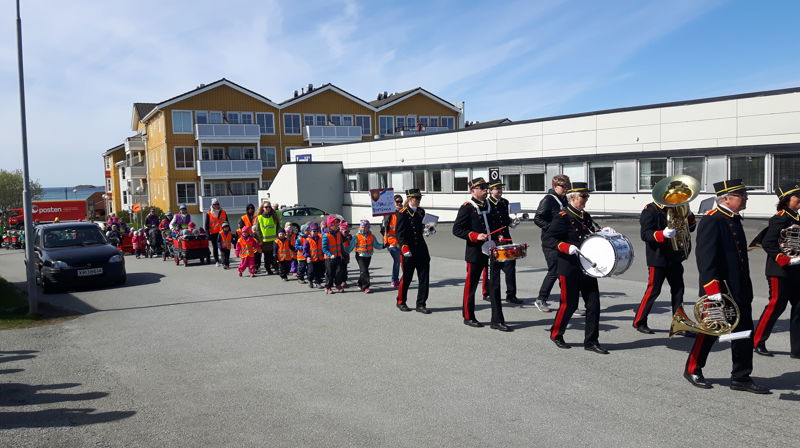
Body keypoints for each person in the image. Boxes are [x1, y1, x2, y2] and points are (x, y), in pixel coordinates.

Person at [683, 179, 769, 393]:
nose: (746, 198)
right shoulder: (713, 220)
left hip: (739, 288)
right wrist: (713, 291)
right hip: (718, 289)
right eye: (742, 195)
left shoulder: (733, 218)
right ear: (726, 199)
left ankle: (741, 377)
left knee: (743, 332)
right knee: (710, 331)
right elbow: (706, 258)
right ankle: (693, 368)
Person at [543, 182, 608, 353]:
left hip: (587, 267)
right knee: (569, 304)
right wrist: (566, 247)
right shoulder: (562, 216)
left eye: (587, 196)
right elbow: (548, 240)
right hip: (569, 267)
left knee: (594, 305)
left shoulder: (584, 216)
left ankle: (591, 341)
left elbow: (589, 235)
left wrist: (603, 233)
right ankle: (556, 333)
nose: (586, 199)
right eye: (583, 196)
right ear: (573, 197)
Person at [633, 193, 697, 335]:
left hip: (674, 256)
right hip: (658, 258)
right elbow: (645, 234)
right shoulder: (650, 210)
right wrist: (662, 234)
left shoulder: (676, 209)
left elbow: (691, 228)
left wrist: (690, 214)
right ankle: (639, 321)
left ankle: (679, 323)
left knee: (678, 290)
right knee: (653, 290)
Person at [452, 178, 510, 331]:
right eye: (482, 188)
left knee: (495, 285)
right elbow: (457, 229)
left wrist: (499, 236)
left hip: (491, 251)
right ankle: (468, 316)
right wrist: (474, 235)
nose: (486, 190)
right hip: (475, 253)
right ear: (473, 191)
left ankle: (497, 320)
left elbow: (496, 224)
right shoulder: (467, 207)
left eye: (486, 187)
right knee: (471, 286)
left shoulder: (490, 204)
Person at [753, 184, 800, 359]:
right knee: (776, 306)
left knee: (798, 308)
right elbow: (768, 243)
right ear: (787, 200)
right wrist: (784, 259)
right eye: (797, 197)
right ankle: (758, 341)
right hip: (779, 270)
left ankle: (797, 349)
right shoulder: (780, 218)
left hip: (796, 269)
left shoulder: (796, 217)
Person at [533, 174, 571, 313]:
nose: (566, 189)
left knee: (565, 272)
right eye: (563, 186)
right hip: (550, 242)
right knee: (554, 271)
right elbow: (537, 218)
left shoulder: (564, 199)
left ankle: (568, 303)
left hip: (563, 240)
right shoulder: (548, 199)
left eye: (567, 186)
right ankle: (541, 299)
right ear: (555, 186)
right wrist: (551, 228)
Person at [486, 180, 522, 304]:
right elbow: (487, 222)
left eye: (500, 188)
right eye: (496, 188)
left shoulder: (505, 202)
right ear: (490, 190)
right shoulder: (486, 203)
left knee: (511, 266)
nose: (499, 190)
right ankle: (488, 293)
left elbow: (505, 219)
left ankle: (511, 295)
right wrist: (495, 236)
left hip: (506, 238)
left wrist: (512, 222)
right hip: (493, 239)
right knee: (492, 268)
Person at [396, 189, 431, 314]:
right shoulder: (402, 213)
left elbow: (423, 228)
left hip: (421, 249)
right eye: (416, 198)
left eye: (419, 198)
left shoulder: (421, 212)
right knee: (407, 277)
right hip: (408, 250)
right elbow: (399, 234)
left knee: (424, 278)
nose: (418, 200)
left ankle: (421, 304)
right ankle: (401, 301)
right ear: (410, 199)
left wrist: (429, 230)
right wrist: (404, 247)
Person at [354, 220, 384, 293]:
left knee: (364, 271)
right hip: (360, 255)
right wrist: (344, 252)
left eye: (366, 227)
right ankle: (366, 287)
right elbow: (351, 246)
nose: (364, 228)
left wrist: (384, 245)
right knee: (365, 271)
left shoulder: (371, 236)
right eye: (362, 227)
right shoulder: (356, 236)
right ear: (360, 227)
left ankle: (360, 283)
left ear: (369, 228)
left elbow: (376, 245)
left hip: (368, 256)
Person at [381, 194, 404, 288]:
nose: (399, 203)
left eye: (401, 201)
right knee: (397, 260)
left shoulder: (404, 213)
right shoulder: (389, 214)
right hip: (392, 242)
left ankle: (402, 279)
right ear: (393, 203)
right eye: (397, 201)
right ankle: (394, 280)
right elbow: (383, 228)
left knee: (404, 261)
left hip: (402, 242)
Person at [254, 201, 280, 275]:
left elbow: (278, 227)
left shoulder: (274, 216)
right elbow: (258, 230)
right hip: (265, 242)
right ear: (263, 208)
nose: (268, 208)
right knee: (267, 257)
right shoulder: (259, 218)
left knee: (274, 255)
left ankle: (276, 268)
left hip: (274, 240)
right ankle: (268, 269)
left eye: (269, 206)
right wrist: (260, 239)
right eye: (266, 207)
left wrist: (279, 236)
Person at [322, 215, 345, 294]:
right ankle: (328, 287)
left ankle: (338, 284)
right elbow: (324, 248)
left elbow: (340, 245)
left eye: (337, 225)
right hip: (329, 258)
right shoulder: (326, 235)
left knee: (339, 271)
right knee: (330, 273)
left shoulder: (338, 233)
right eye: (334, 225)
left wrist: (343, 253)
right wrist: (330, 255)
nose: (336, 226)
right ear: (330, 226)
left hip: (338, 256)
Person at [204, 198, 228, 267]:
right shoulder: (208, 213)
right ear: (212, 205)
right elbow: (206, 225)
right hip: (213, 233)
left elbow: (227, 221)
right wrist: (207, 234)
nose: (216, 205)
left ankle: (224, 261)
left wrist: (228, 231)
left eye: (217, 204)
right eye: (215, 204)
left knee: (223, 247)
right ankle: (217, 261)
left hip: (222, 232)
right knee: (215, 247)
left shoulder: (223, 212)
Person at [303, 222, 325, 289]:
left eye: (317, 231)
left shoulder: (320, 239)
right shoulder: (308, 240)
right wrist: (307, 256)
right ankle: (310, 281)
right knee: (311, 271)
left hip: (319, 259)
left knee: (319, 272)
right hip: (311, 259)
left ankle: (318, 282)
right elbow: (305, 249)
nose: (315, 232)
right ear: (310, 231)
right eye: (313, 231)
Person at [339, 220, 356, 288]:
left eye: (348, 231)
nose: (347, 233)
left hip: (345, 255)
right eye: (345, 231)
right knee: (339, 270)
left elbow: (354, 239)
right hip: (338, 255)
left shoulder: (349, 236)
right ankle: (338, 281)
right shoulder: (338, 236)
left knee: (344, 270)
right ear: (341, 230)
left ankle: (344, 281)